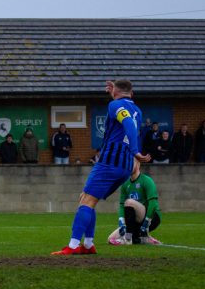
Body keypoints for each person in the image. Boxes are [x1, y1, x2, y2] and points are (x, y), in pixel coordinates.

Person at [51, 79, 150, 255]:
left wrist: (136, 151)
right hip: (125, 166)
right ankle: (88, 245)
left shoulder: (115, 105)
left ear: (116, 93)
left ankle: (72, 246)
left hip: (110, 162)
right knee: (87, 199)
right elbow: (129, 123)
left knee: (86, 201)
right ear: (132, 94)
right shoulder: (138, 110)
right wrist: (134, 155)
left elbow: (126, 122)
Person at [108, 159, 162, 245]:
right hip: (134, 221)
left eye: (131, 162)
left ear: (138, 164)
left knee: (129, 202)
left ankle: (128, 238)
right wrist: (121, 223)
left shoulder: (147, 180)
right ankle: (143, 239)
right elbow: (122, 205)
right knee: (111, 238)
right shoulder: (125, 184)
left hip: (152, 218)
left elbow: (153, 204)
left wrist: (145, 225)